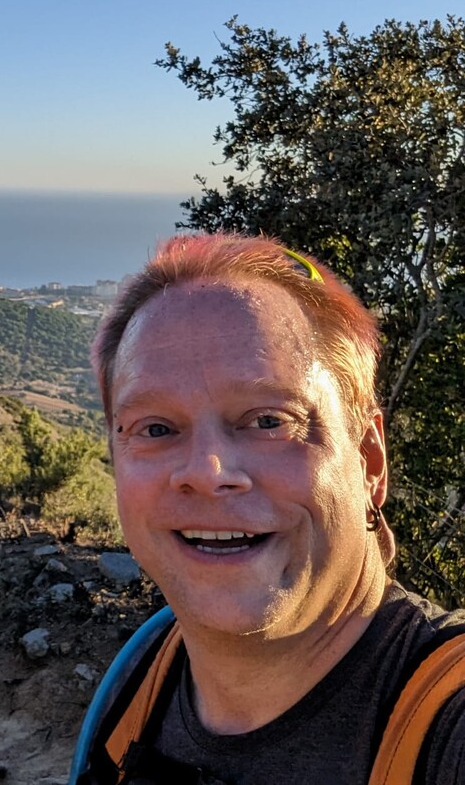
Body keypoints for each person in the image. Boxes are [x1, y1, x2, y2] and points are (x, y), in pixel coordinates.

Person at [73, 233, 465, 784]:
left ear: (369, 461)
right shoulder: (140, 678)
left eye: (268, 421)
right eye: (156, 429)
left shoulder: (446, 725)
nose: (207, 473)